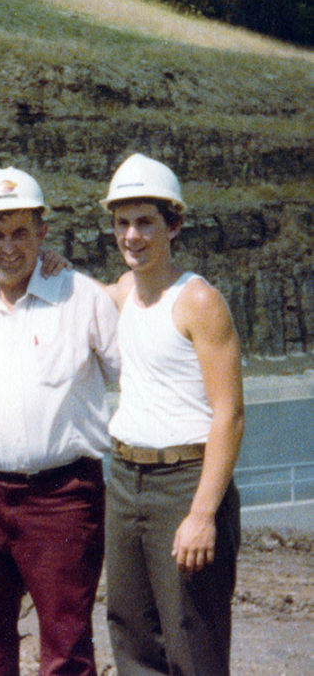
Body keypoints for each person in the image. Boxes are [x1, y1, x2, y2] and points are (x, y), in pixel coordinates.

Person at [0, 167, 120, 676]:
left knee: (67, 643)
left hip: (63, 497)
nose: (8, 247)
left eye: (20, 232)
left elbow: (135, 367)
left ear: (42, 232)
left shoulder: (83, 298)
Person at [101, 153, 244, 675]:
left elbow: (228, 414)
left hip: (183, 483)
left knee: (191, 636)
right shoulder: (121, 294)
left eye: (145, 222)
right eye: (122, 222)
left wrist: (202, 514)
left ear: (174, 224)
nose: (132, 235)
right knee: (131, 632)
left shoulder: (199, 301)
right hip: (124, 479)